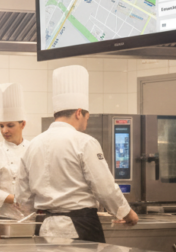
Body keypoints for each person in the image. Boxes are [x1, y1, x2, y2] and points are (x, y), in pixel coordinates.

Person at [15, 65, 139, 241]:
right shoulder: (84, 142)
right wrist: (127, 213)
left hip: (44, 227)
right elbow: (105, 188)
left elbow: (22, 195)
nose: (86, 124)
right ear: (79, 113)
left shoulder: (33, 145)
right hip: (80, 226)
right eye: (87, 118)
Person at [0, 82, 33, 220]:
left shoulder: (33, 149)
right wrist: (15, 199)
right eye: (1, 126)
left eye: (10, 125)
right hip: (3, 218)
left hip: (31, 217)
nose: (5, 130)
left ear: (23, 124)